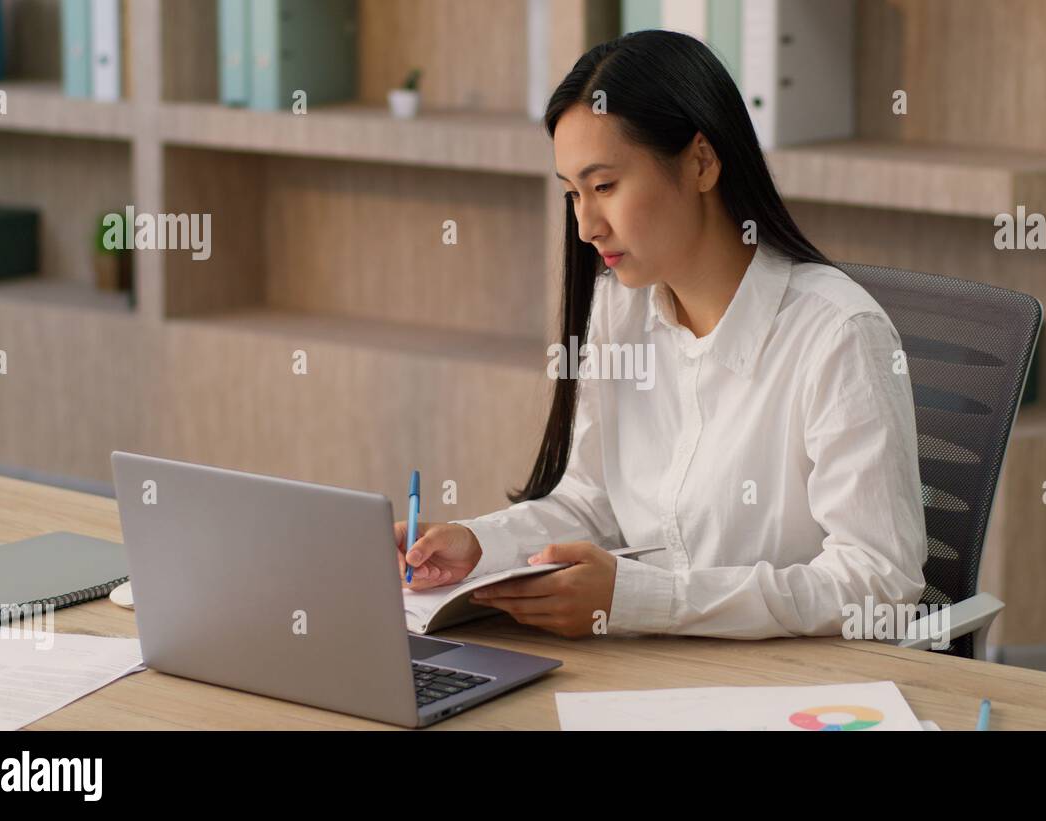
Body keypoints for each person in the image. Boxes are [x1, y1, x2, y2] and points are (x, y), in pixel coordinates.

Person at [394, 29, 927, 640]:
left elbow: (879, 581)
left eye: (604, 187)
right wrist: (475, 545)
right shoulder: (618, 313)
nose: (587, 225)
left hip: (787, 691)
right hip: (646, 671)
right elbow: (593, 503)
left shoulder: (838, 335)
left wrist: (645, 598)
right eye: (572, 194)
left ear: (701, 161)